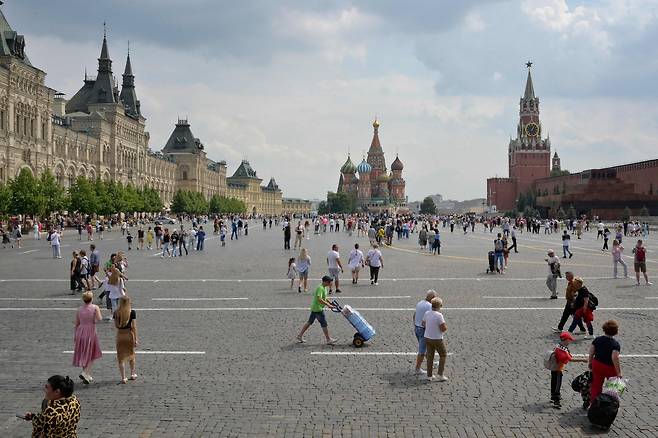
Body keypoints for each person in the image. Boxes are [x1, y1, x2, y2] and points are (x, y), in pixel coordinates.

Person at [549, 331, 587, 409]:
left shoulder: (558, 346)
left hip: (554, 368)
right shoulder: (562, 350)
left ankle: (553, 396)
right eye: (569, 340)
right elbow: (569, 359)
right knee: (557, 384)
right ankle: (556, 399)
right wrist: (582, 360)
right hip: (558, 370)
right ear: (565, 340)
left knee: (553, 382)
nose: (570, 341)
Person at [588, 320, 622, 405]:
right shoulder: (615, 344)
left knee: (596, 385)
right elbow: (615, 357)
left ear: (604, 329)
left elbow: (591, 351)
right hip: (609, 367)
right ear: (615, 332)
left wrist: (590, 361)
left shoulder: (597, 340)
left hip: (597, 364)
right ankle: (611, 404)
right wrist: (619, 372)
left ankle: (593, 403)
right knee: (613, 386)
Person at [296, 275, 337, 345]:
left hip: (316, 308)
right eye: (329, 282)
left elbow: (324, 298)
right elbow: (319, 299)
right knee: (324, 324)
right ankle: (328, 339)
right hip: (318, 309)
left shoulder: (324, 288)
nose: (330, 283)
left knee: (309, 322)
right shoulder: (320, 288)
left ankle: (300, 335)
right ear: (325, 282)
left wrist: (330, 303)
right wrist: (328, 305)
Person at [73, 291, 103, 384]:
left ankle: (87, 375)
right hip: (90, 332)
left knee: (84, 353)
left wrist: (75, 335)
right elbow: (99, 319)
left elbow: (77, 323)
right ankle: (85, 372)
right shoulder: (95, 307)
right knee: (92, 354)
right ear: (91, 299)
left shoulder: (79, 309)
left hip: (80, 332)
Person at [422, 297, 448, 382]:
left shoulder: (427, 313)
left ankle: (429, 375)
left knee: (430, 356)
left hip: (427, 337)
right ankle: (440, 374)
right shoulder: (439, 315)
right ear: (439, 306)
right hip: (437, 338)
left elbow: (423, 324)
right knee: (443, 354)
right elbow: (443, 328)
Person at [114, 296, 138, 384]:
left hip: (120, 335)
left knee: (121, 357)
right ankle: (132, 373)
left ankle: (123, 377)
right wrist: (135, 338)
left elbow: (116, 325)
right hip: (129, 335)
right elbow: (134, 327)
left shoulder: (116, 312)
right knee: (131, 354)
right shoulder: (132, 312)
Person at [413, 290, 437, 375]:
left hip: (417, 327)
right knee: (422, 350)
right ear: (432, 298)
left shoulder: (419, 303)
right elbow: (431, 319)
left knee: (426, 348)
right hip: (423, 329)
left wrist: (415, 324)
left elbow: (414, 315)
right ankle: (417, 369)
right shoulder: (430, 306)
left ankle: (431, 362)